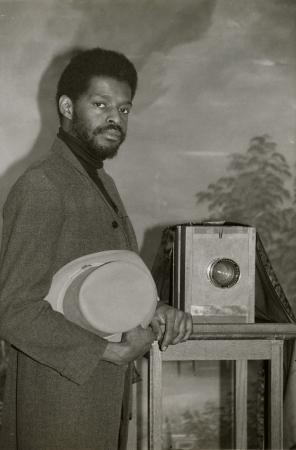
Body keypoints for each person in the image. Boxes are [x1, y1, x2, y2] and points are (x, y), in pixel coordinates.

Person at [0, 47, 192, 450]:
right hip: (57, 408)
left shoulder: (101, 183)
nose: (114, 119)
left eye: (124, 109)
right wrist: (109, 352)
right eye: (101, 104)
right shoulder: (42, 187)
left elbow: (103, 286)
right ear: (67, 106)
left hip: (99, 399)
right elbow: (13, 309)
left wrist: (155, 311)